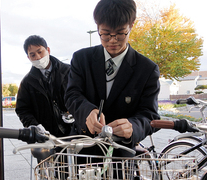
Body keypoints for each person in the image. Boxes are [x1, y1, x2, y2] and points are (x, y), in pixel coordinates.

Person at [65, 0, 160, 158]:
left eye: (121, 33)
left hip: (121, 155)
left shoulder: (147, 69)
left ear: (131, 25)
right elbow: (71, 95)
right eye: (106, 34)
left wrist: (133, 127)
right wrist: (87, 111)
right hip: (84, 151)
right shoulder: (81, 59)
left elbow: (150, 114)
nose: (113, 40)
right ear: (97, 27)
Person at [15, 35, 71, 138]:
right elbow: (22, 109)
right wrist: (35, 126)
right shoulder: (27, 82)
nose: (38, 57)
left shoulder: (70, 72)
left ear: (48, 50)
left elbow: (82, 96)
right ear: (28, 57)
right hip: (46, 136)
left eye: (40, 52)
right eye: (32, 55)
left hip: (74, 132)